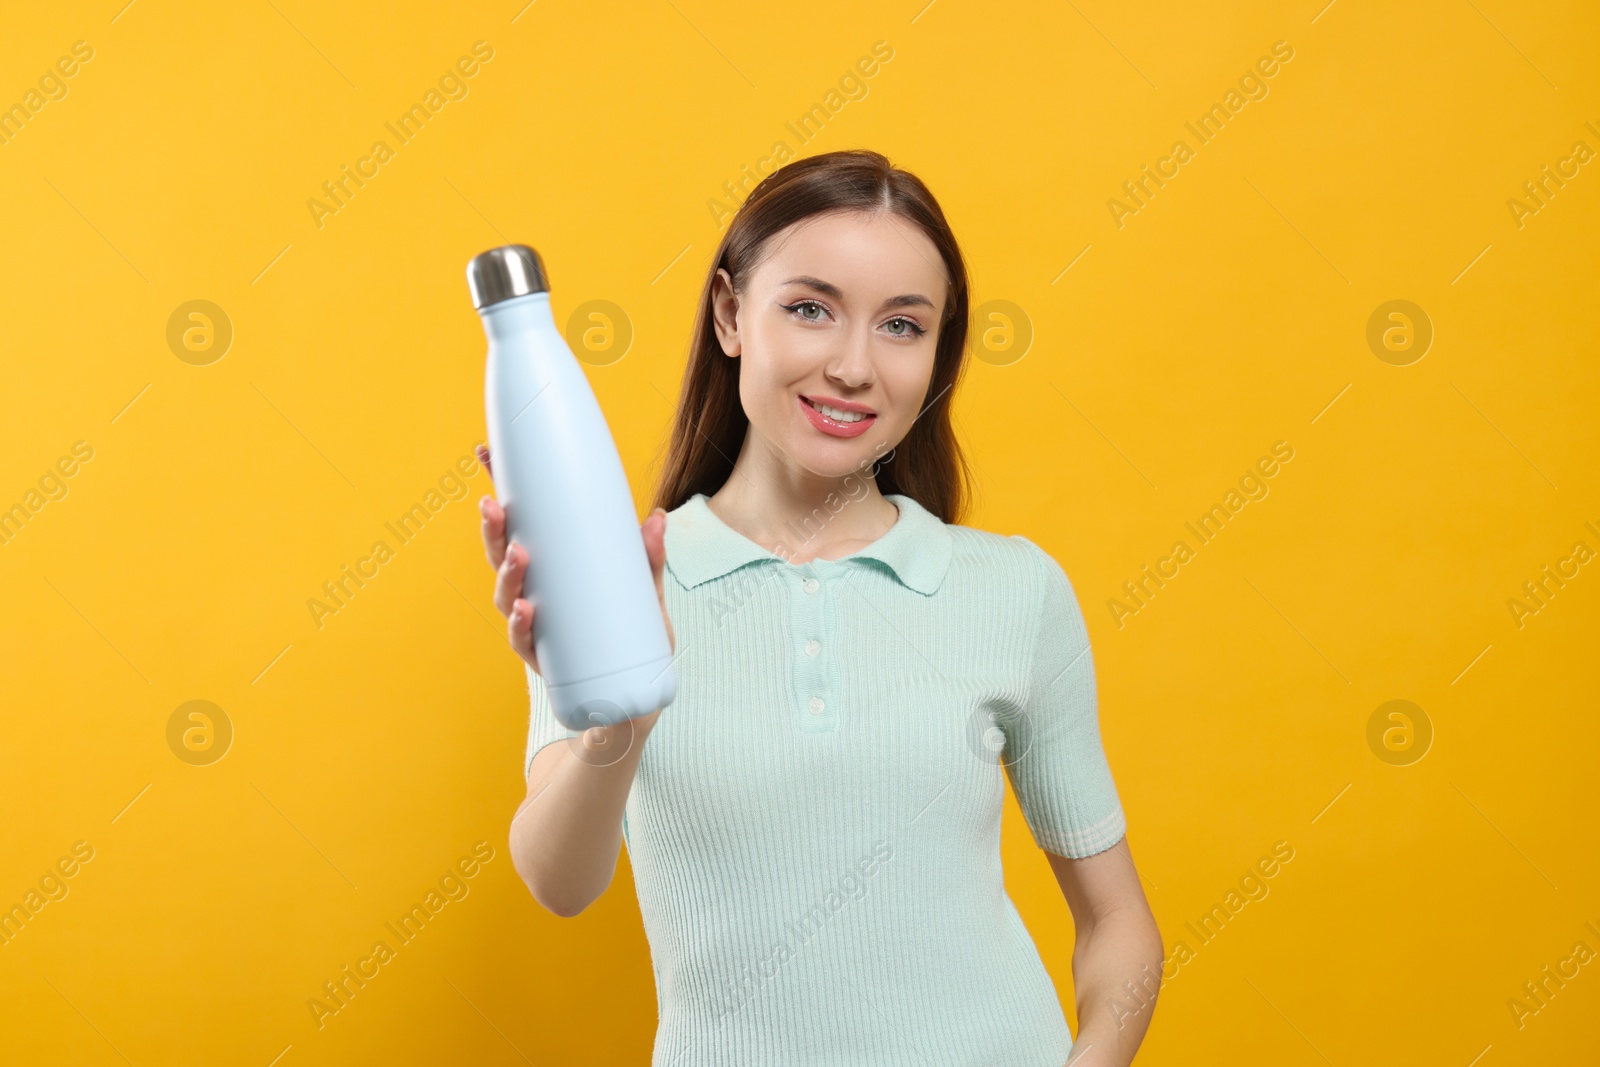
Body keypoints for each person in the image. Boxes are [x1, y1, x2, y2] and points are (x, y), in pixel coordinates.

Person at [477, 149, 1163, 1066]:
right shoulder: (619, 582)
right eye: (809, 308)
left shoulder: (1013, 588)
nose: (853, 366)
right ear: (730, 313)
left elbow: (1118, 922)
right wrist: (624, 714)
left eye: (902, 326)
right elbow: (560, 882)